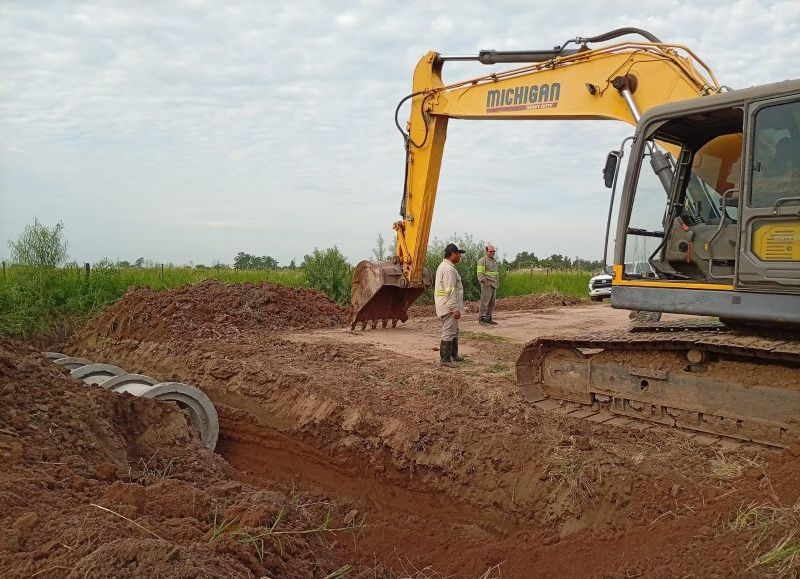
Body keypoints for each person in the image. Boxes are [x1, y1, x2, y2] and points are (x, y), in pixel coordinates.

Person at [434, 243, 465, 367]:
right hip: (448, 306)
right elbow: (450, 290)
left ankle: (454, 355)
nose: (460, 257)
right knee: (448, 331)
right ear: (453, 254)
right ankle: (445, 359)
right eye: (459, 254)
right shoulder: (448, 269)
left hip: (446, 304)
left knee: (454, 331)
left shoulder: (445, 267)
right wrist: (454, 308)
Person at [476, 244, 499, 325]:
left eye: (494, 251)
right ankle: (482, 320)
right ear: (486, 251)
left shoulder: (494, 260)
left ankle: (488, 319)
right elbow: (480, 274)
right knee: (485, 303)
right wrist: (485, 282)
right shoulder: (482, 261)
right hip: (487, 284)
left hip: (494, 284)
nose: (492, 253)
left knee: (492, 303)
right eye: (490, 251)